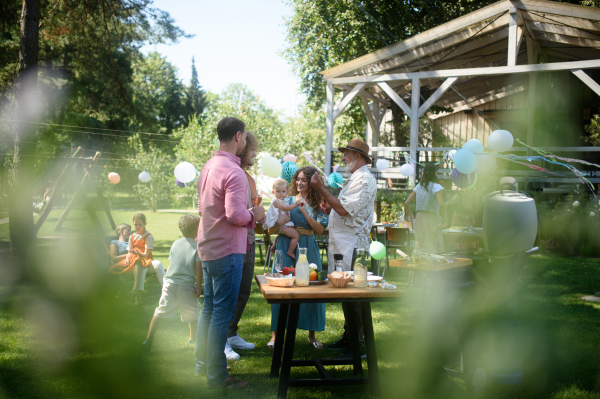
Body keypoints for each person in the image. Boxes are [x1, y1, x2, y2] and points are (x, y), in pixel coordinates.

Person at [194, 117, 266, 390]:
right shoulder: (234, 172)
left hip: (208, 246)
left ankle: (203, 365)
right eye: (245, 136)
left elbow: (203, 210)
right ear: (238, 136)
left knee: (209, 310)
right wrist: (255, 214)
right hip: (227, 250)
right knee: (221, 315)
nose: (247, 141)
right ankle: (218, 377)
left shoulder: (209, 166)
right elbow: (235, 215)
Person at [311, 138, 377, 360]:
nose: (343, 157)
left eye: (347, 153)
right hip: (345, 243)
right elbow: (342, 207)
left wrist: (322, 189)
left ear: (358, 156)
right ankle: (349, 337)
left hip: (355, 247)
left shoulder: (365, 179)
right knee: (345, 293)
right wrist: (329, 203)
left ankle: (358, 346)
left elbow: (345, 211)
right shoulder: (356, 178)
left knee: (355, 295)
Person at [267, 167, 328, 349]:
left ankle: (312, 335)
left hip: (308, 245)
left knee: (312, 289)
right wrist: (277, 224)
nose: (299, 183)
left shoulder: (319, 204)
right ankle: (275, 334)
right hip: (286, 246)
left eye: (304, 180)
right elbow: (270, 229)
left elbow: (319, 230)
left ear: (311, 184)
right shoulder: (285, 200)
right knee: (281, 288)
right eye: (298, 179)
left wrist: (304, 213)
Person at [142, 215, 202, 353]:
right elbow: (199, 269)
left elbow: (172, 263)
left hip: (169, 283)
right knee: (192, 314)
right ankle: (193, 341)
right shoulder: (197, 247)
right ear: (195, 231)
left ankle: (148, 340)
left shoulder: (175, 243)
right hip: (186, 285)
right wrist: (198, 287)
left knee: (160, 310)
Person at [225, 132, 259, 361]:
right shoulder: (231, 172)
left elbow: (254, 207)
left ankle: (231, 333)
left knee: (244, 291)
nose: (255, 153)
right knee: (229, 292)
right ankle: (220, 341)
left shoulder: (249, 178)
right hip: (232, 242)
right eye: (252, 148)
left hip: (249, 239)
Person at [110, 213, 165, 305]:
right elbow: (129, 251)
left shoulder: (148, 236)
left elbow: (146, 254)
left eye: (140, 224)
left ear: (145, 224)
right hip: (133, 258)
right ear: (133, 223)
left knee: (137, 259)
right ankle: (136, 293)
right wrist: (127, 258)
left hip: (144, 258)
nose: (137, 226)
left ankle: (135, 288)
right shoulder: (132, 236)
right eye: (135, 225)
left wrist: (137, 253)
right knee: (116, 267)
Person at [404, 163, 448, 254]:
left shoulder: (419, 186)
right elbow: (441, 204)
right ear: (434, 173)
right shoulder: (437, 187)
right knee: (433, 248)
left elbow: (406, 203)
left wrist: (411, 216)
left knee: (421, 248)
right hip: (432, 219)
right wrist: (446, 219)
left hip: (419, 219)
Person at [264, 178, 302, 259]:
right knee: (295, 236)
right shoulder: (276, 201)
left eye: (283, 191)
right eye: (278, 191)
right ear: (273, 192)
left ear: (287, 192)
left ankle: (274, 246)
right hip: (282, 225)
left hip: (283, 225)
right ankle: (290, 251)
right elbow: (285, 208)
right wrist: (296, 204)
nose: (281, 194)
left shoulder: (283, 200)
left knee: (279, 236)